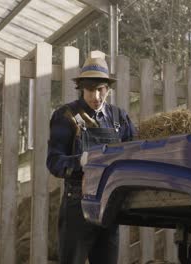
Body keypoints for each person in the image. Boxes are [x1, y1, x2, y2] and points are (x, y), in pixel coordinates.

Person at [47, 57, 136, 264]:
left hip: (109, 204)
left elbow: (133, 153)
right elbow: (53, 162)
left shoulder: (119, 118)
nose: (96, 96)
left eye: (101, 90)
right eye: (90, 90)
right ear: (81, 88)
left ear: (108, 89)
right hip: (78, 202)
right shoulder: (66, 115)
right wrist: (81, 161)